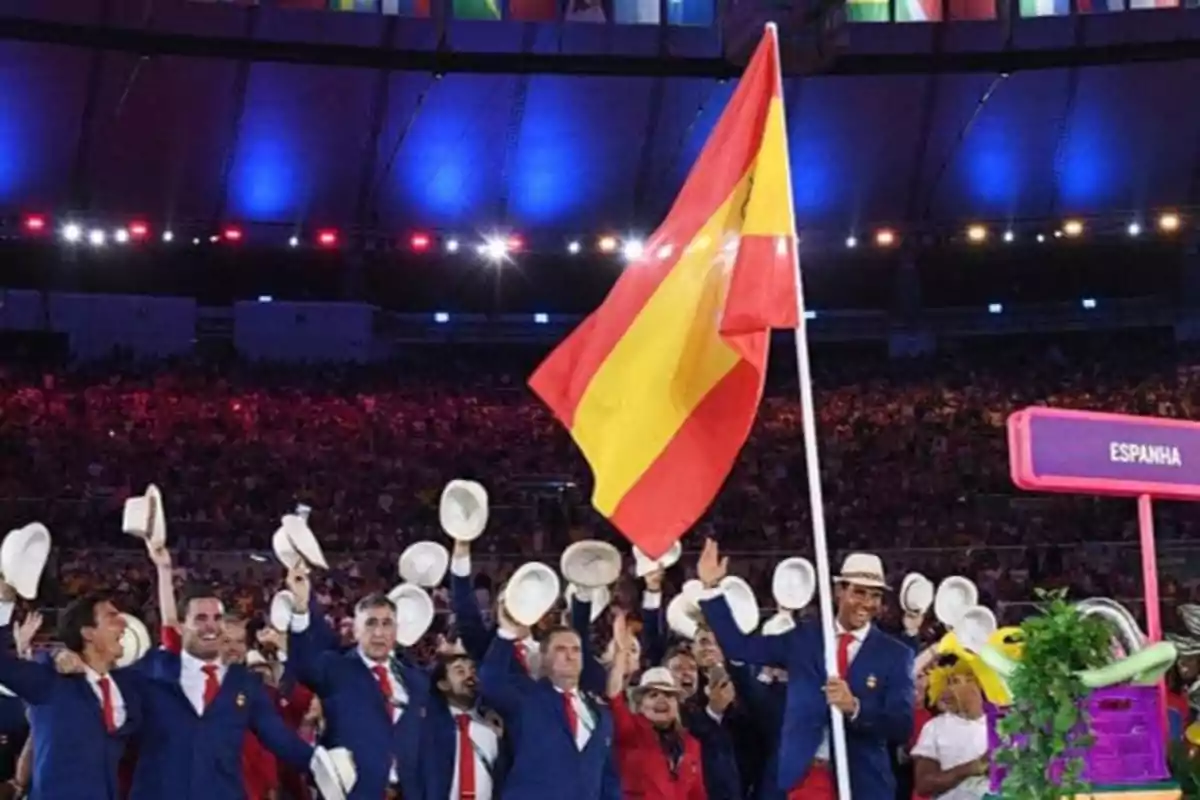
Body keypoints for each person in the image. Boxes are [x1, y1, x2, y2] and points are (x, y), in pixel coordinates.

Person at [127, 543, 351, 800]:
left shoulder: (246, 684)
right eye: (200, 618)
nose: (211, 626)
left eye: (217, 618)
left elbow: (279, 738)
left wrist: (324, 767)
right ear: (181, 626)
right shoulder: (153, 669)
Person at [695, 540, 914, 800]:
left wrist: (854, 708)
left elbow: (901, 725)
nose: (867, 603)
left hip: (864, 784)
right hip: (807, 778)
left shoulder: (896, 655)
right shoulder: (805, 639)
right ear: (838, 592)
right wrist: (711, 590)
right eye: (859, 592)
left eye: (875, 595)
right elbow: (739, 647)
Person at [285, 563, 429, 800]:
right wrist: (301, 608)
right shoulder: (334, 668)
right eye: (371, 623)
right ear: (355, 631)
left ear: (396, 631)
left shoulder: (416, 680)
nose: (379, 633)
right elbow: (302, 666)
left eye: (386, 624)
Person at [0, 588, 139, 799]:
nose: (125, 624)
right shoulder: (52, 682)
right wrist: (4, 603)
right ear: (88, 633)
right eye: (112, 617)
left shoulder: (127, 690)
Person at [478, 617, 621, 800]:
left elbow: (608, 778)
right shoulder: (525, 698)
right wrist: (506, 633)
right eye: (560, 649)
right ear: (543, 656)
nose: (570, 656)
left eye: (576, 650)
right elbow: (490, 681)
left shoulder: (601, 714)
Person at [607, 611, 706, 799]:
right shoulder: (630, 730)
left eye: (669, 695)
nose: (662, 700)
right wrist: (621, 654)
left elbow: (697, 794)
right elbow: (614, 696)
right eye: (653, 695)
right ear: (640, 703)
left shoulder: (691, 744)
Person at [423, 642, 506, 800]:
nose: (470, 677)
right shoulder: (430, 724)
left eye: (473, 670)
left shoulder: (493, 725)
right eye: (460, 671)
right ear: (443, 684)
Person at [911, 661, 990, 800]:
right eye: (947, 682)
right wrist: (972, 768)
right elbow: (923, 784)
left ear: (976, 685)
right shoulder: (935, 727)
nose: (946, 690)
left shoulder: (1000, 724)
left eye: (955, 682)